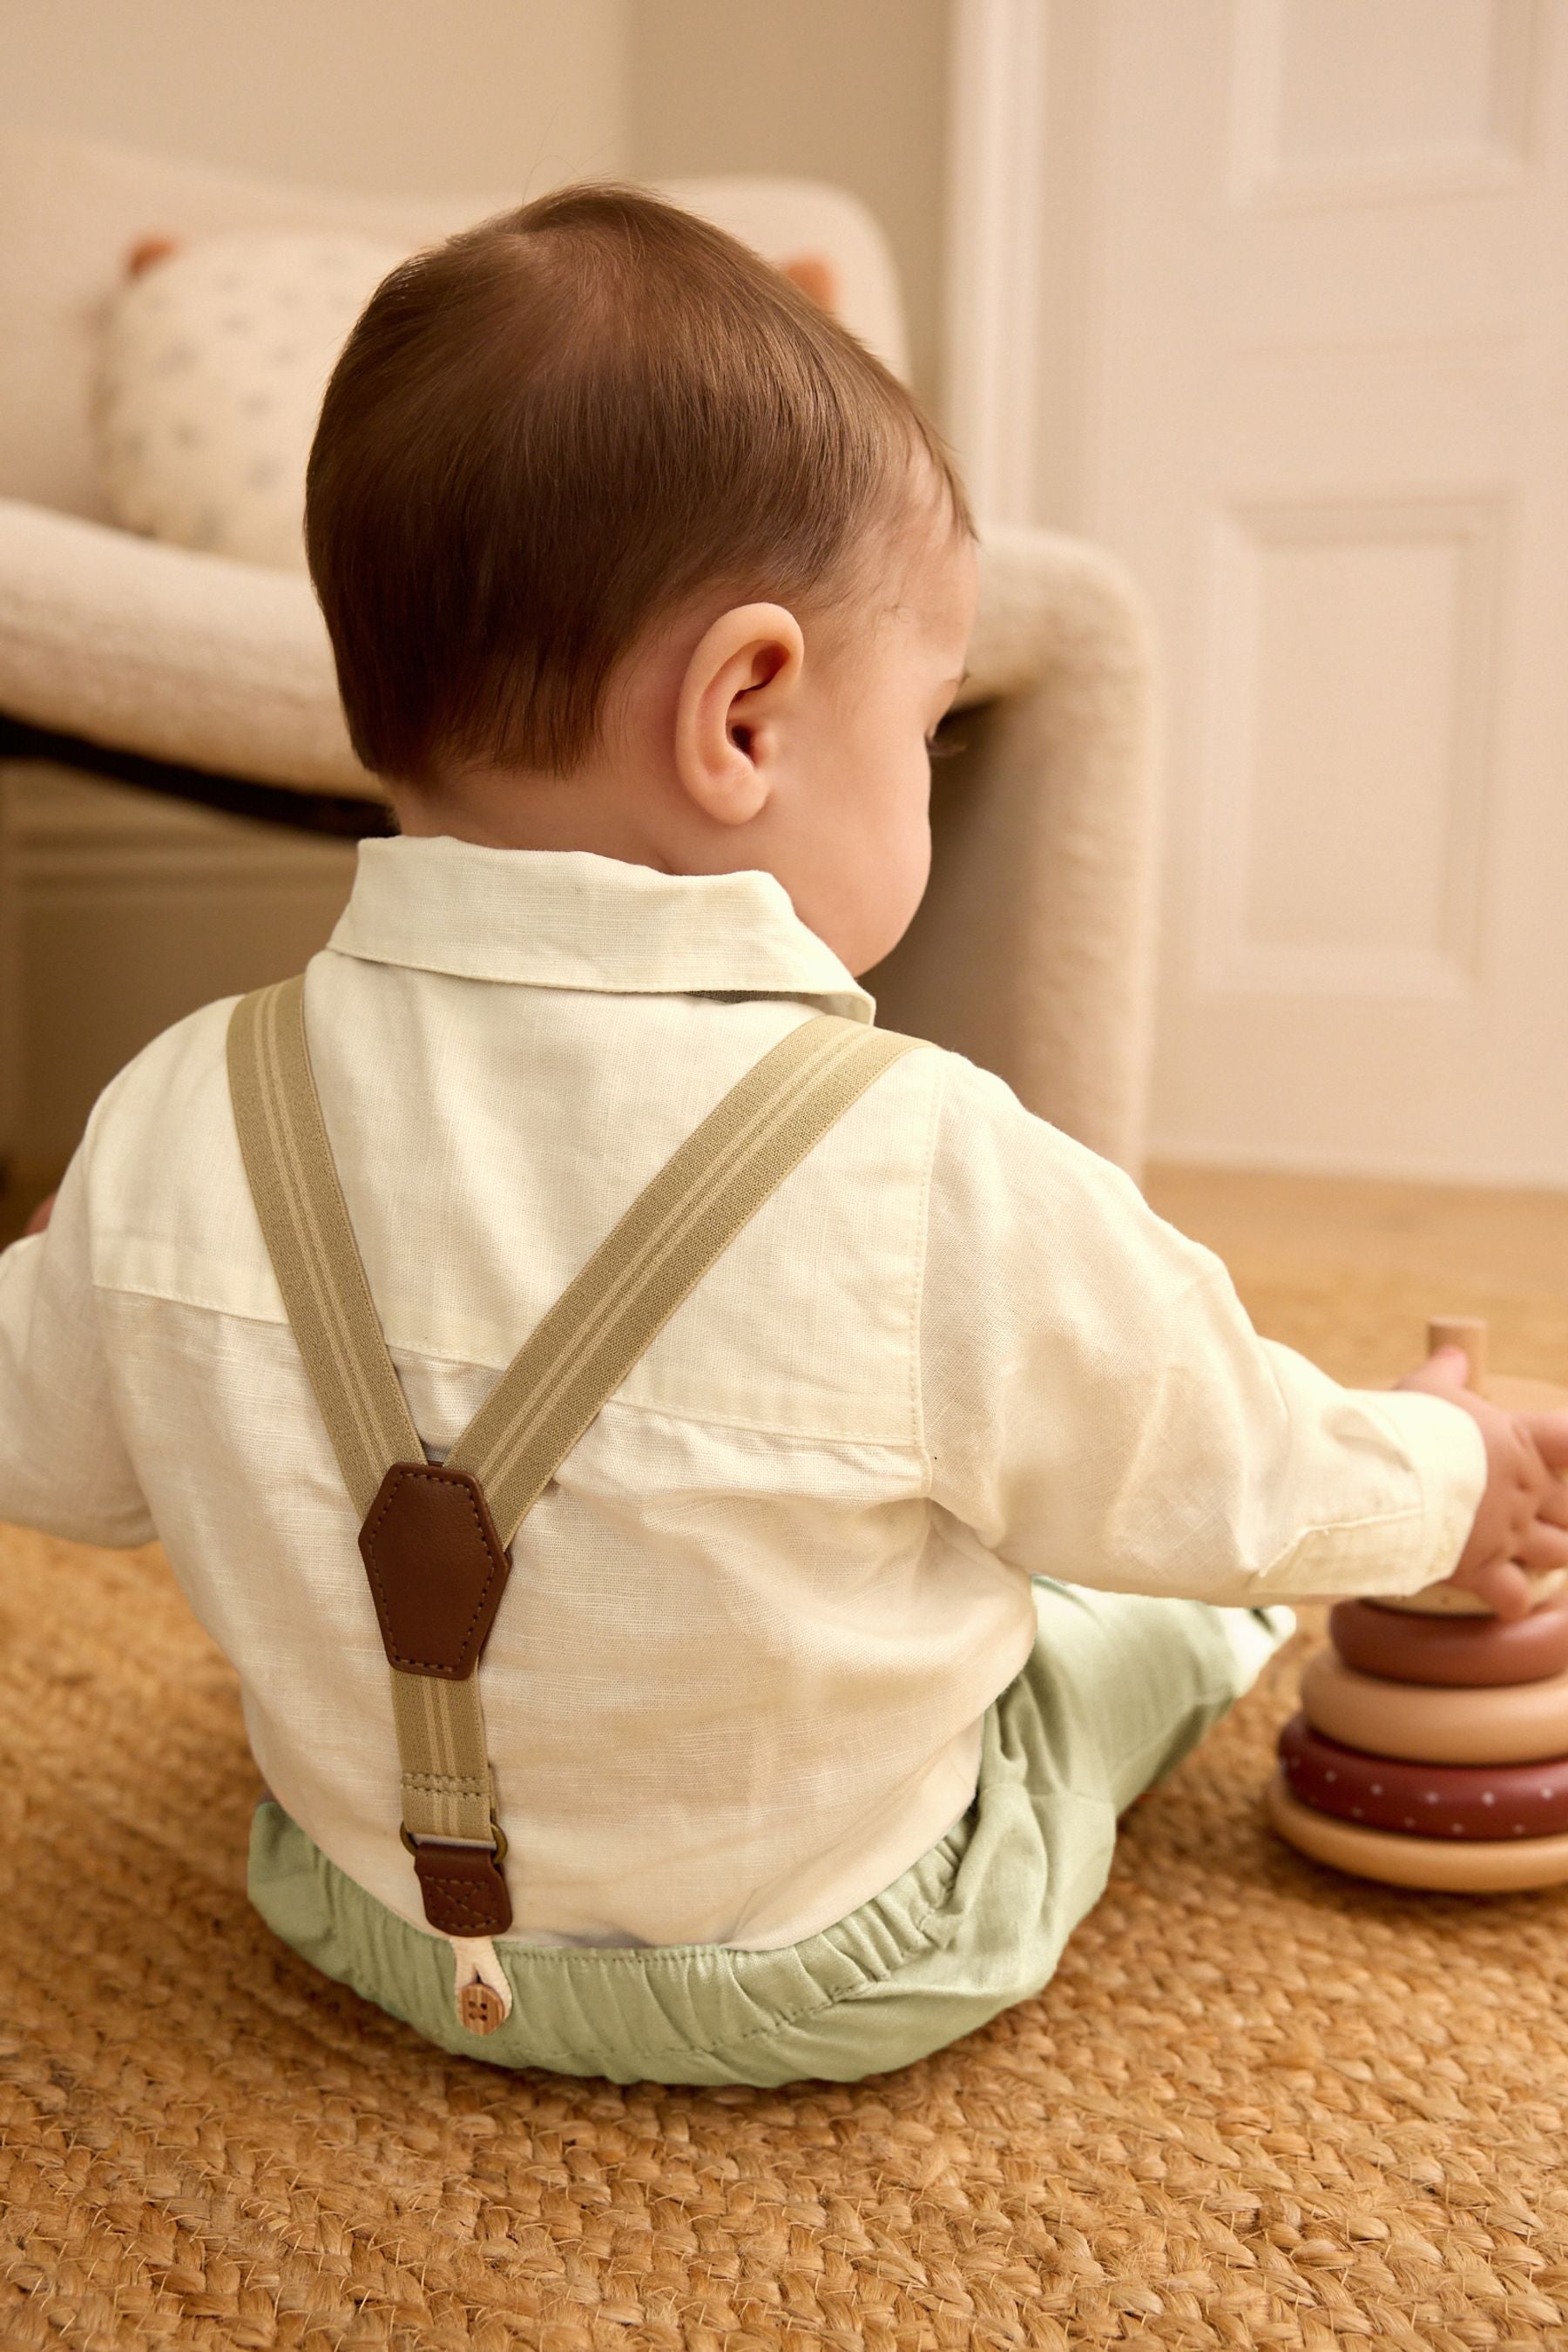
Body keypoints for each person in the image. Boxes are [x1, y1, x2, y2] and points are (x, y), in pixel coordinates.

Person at [4, 187, 1565, 2086]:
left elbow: (68, 1465)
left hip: (362, 1917)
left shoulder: (181, 1111)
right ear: (746, 711)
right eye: (927, 730)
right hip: (837, 1959)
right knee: (1110, 1615)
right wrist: (1441, 1478)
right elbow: (1219, 1463)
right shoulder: (923, 1168)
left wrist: (132, 1272)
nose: (929, 771)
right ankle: (1219, 1658)